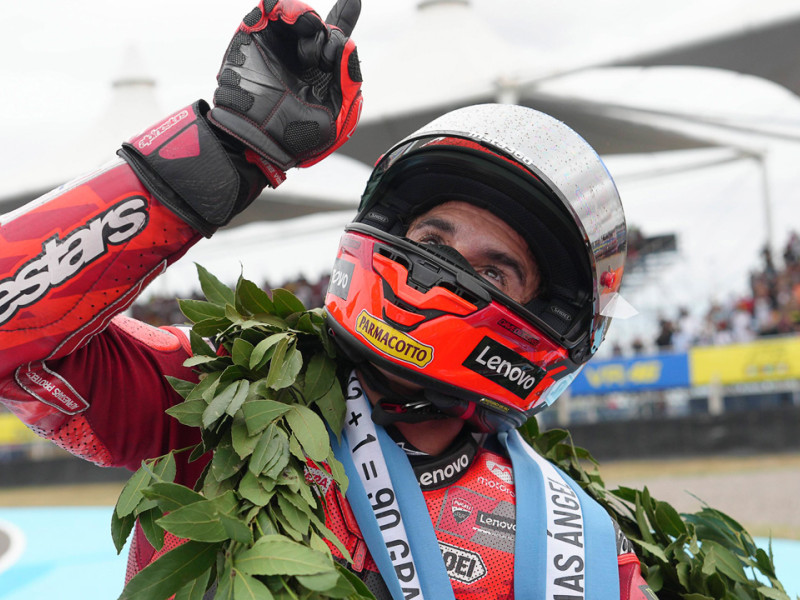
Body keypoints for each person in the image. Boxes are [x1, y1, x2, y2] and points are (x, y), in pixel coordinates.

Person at [0, 0, 655, 598]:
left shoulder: (578, 545)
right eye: (433, 237)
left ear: (543, 322)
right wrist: (222, 151)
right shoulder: (218, 398)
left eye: (496, 268)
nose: (442, 272)